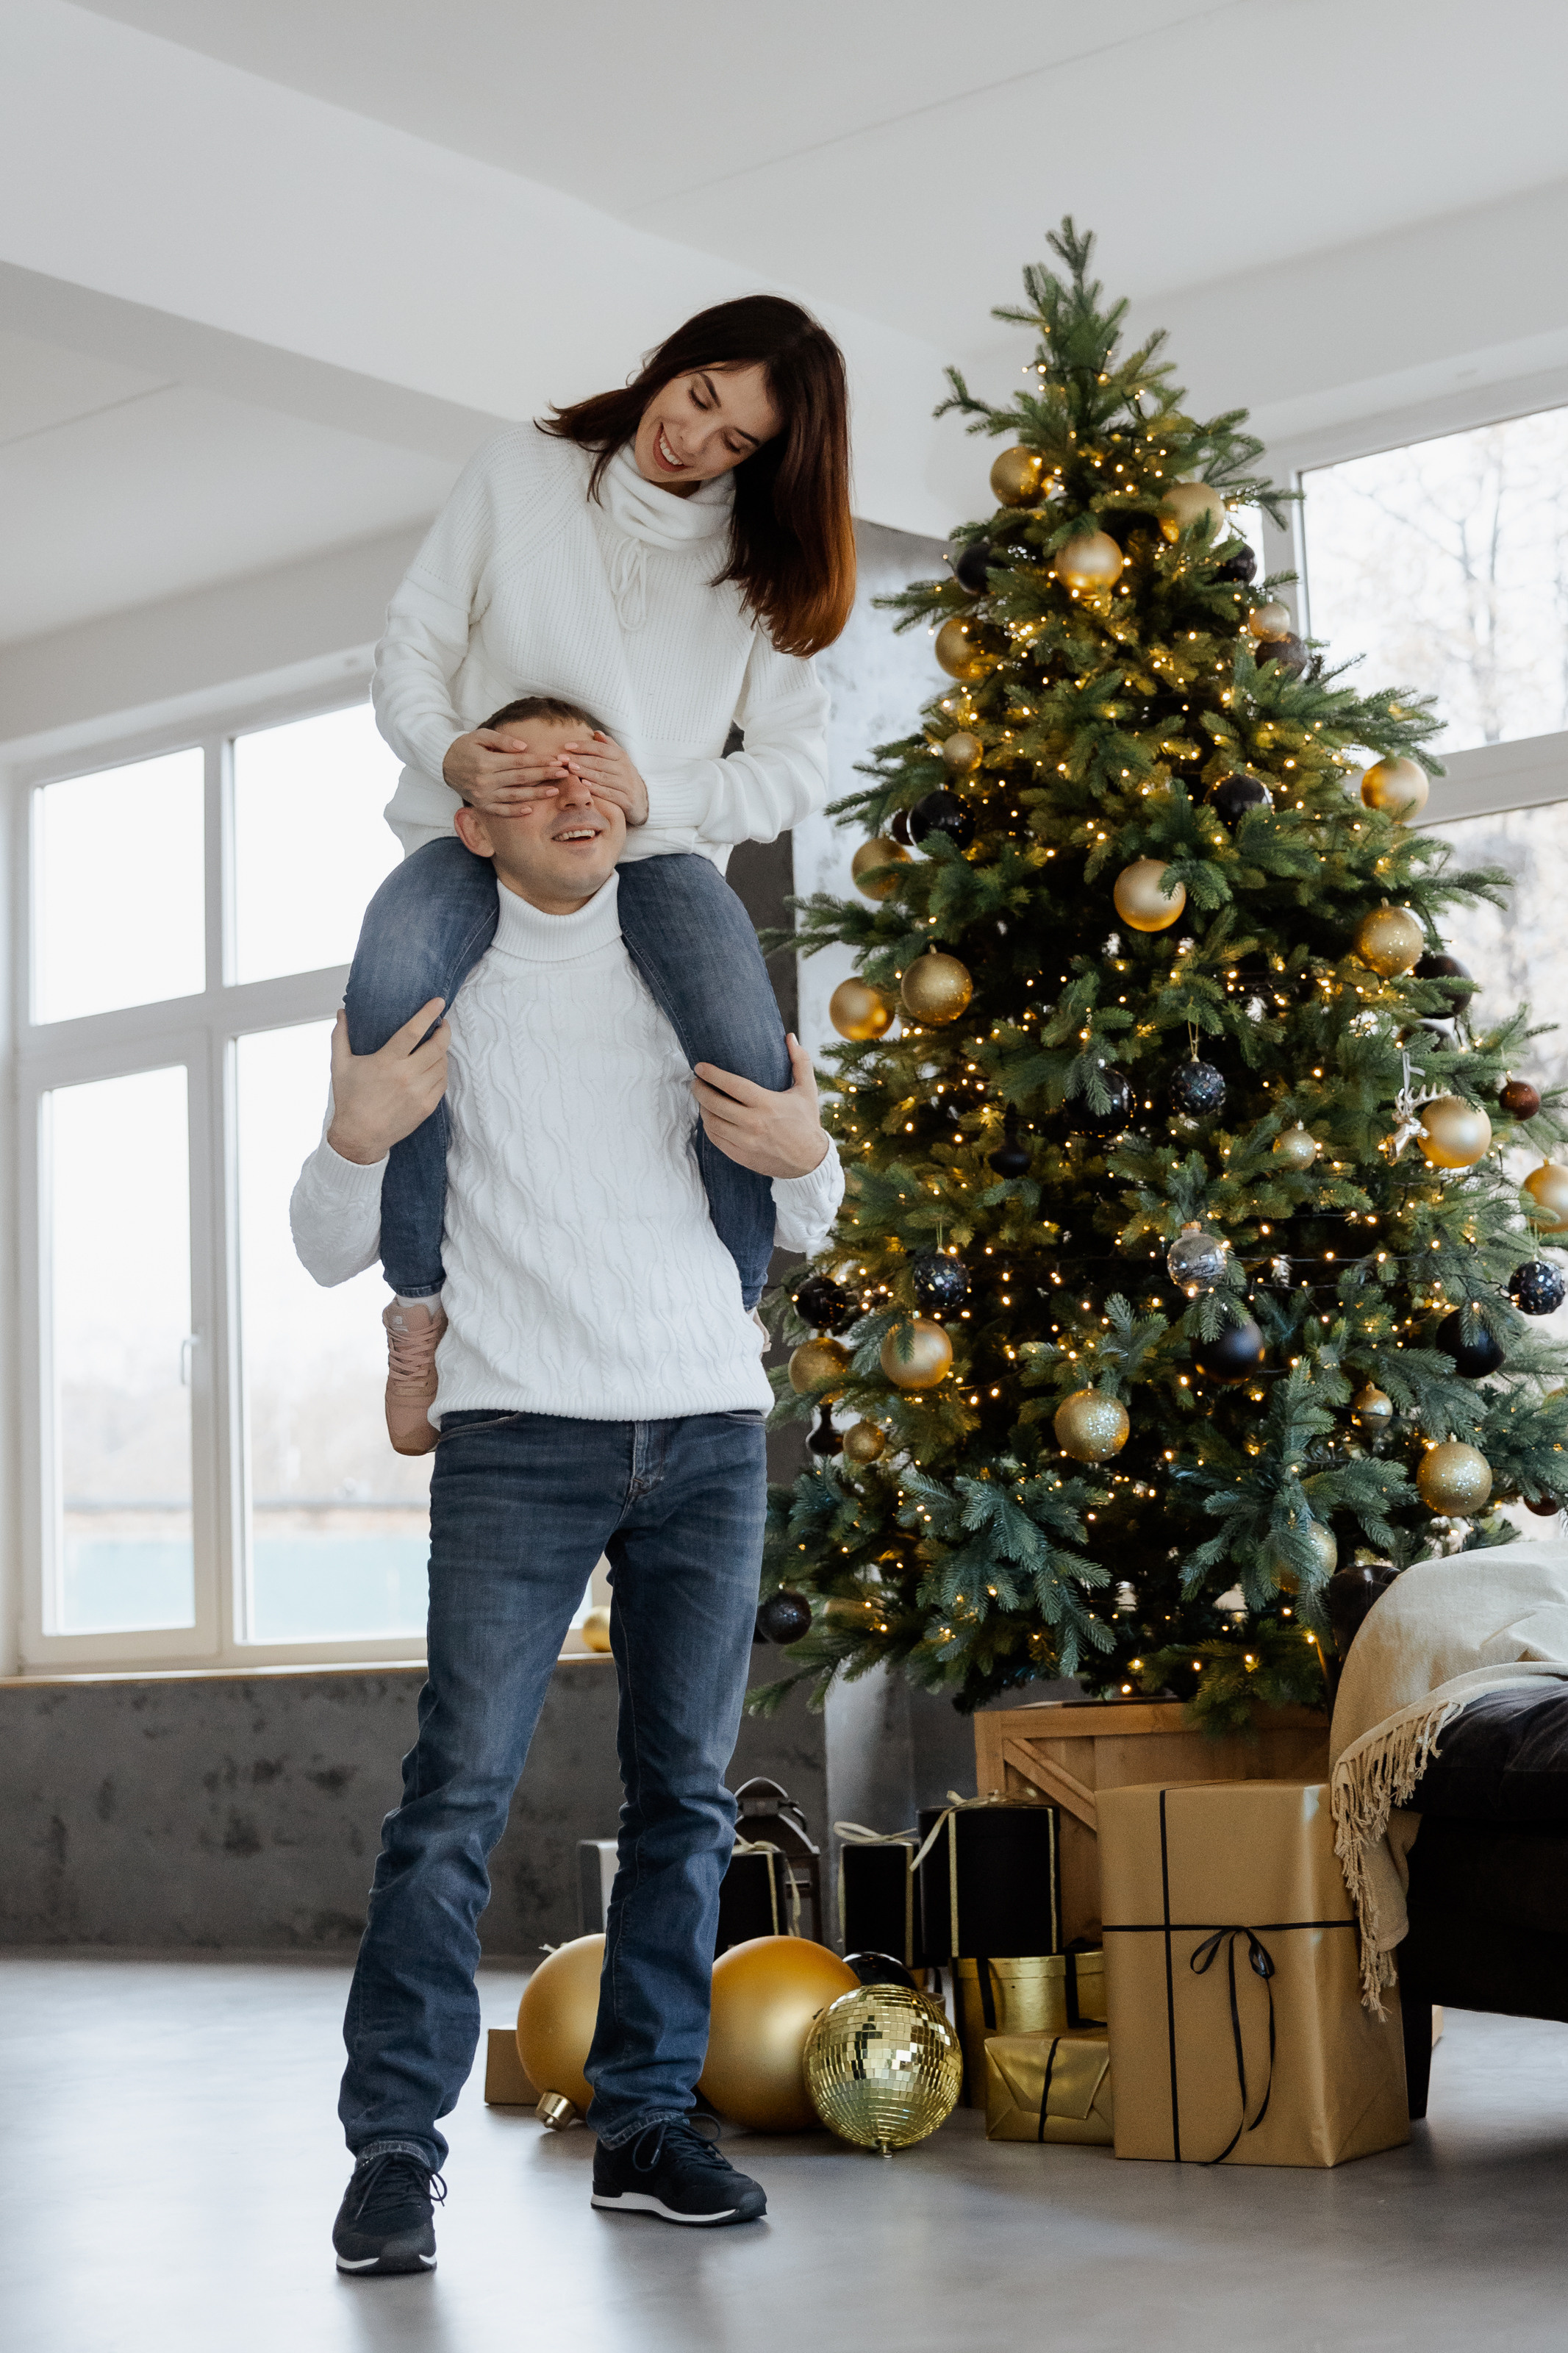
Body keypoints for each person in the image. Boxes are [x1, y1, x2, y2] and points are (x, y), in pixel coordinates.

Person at [292, 740, 843, 2274]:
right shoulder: (431, 982)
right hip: (516, 1433)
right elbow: (322, 1235)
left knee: (683, 1797)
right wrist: (351, 1130)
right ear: (467, 822)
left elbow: (808, 1198)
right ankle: (394, 2149)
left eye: (594, 769)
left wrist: (814, 1154)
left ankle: (646, 2124)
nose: (572, 796)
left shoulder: (694, 969)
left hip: (711, 1421)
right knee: (452, 1797)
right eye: (529, 781)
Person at [349, 293, 854, 1451]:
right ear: (670, 365)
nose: (694, 441)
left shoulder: (754, 565)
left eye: (737, 442)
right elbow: (413, 645)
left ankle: (728, 1311)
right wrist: (451, 752)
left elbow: (792, 766)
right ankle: (418, 1310)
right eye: (698, 398)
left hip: (658, 852)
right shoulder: (521, 473)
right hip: (471, 827)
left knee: (738, 1038)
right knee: (390, 1003)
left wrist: (656, 800)